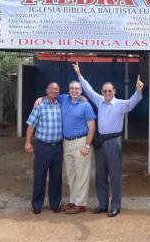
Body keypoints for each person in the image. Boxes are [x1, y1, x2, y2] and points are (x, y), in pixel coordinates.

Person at [72, 62, 144, 218]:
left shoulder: (120, 104)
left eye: (109, 91)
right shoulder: (99, 101)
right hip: (100, 142)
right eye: (104, 91)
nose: (107, 93)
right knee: (100, 175)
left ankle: (115, 206)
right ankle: (103, 205)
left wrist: (138, 90)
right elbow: (89, 90)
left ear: (114, 91)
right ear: (102, 92)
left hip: (113, 142)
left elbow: (133, 101)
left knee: (115, 175)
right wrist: (79, 74)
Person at [34, 81, 96, 214]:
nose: (74, 90)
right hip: (66, 143)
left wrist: (87, 145)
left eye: (77, 89)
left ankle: (81, 204)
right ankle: (73, 201)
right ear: (68, 90)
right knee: (71, 174)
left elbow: (92, 128)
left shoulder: (86, 105)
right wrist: (40, 98)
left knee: (81, 175)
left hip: (81, 142)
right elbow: (51, 94)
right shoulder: (64, 99)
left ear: (81, 91)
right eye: (72, 88)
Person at [24, 82, 63, 214]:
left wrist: (83, 98)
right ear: (46, 90)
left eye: (56, 89)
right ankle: (37, 205)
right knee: (39, 176)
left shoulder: (61, 105)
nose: (53, 91)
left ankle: (55, 204)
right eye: (51, 89)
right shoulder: (40, 105)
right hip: (43, 147)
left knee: (56, 178)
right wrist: (28, 142)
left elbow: (75, 97)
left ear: (58, 92)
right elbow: (31, 125)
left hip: (58, 147)